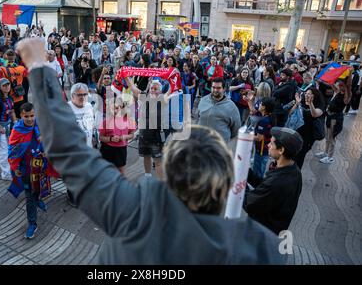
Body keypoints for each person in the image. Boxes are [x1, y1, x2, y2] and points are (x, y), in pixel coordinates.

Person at [15, 37, 284, 264]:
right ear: (225, 185)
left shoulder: (135, 211)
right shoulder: (262, 249)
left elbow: (68, 151)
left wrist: (40, 68)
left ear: (167, 173)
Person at [8, 103, 56, 239]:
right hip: (26, 169)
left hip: (41, 167)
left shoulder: (41, 125)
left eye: (32, 116)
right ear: (21, 116)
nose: (30, 119)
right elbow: (12, 149)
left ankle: (38, 199)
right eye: (26, 116)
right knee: (29, 196)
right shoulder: (17, 130)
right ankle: (32, 224)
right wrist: (15, 167)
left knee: (39, 189)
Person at [244, 127, 303, 235]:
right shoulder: (294, 171)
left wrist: (236, 183)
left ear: (281, 150)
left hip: (260, 235)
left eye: (271, 143)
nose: (268, 145)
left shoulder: (277, 182)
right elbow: (264, 187)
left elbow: (250, 203)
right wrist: (246, 172)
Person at [316, 79, 351, 164]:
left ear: (346, 86)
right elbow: (331, 83)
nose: (339, 86)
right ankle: (325, 153)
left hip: (336, 119)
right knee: (328, 137)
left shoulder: (347, 96)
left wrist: (349, 74)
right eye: (339, 85)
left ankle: (330, 157)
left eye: (342, 85)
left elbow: (349, 86)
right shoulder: (338, 91)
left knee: (332, 138)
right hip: (329, 116)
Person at [99, 97, 136, 174]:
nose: (119, 110)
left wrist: (125, 137)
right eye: (115, 108)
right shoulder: (106, 121)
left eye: (121, 107)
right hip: (107, 149)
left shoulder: (129, 120)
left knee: (121, 170)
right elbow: (101, 137)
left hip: (121, 149)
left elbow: (132, 135)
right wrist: (110, 139)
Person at [198, 77, 241, 143]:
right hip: (201, 143)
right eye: (213, 87)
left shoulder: (231, 107)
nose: (215, 90)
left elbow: (235, 129)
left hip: (219, 147)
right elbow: (199, 117)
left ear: (224, 89)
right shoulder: (203, 100)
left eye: (218, 88)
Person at [293, 87, 325, 169]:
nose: (306, 95)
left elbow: (314, 114)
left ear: (315, 96)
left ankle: (296, 174)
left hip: (309, 135)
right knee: (294, 153)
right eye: (306, 93)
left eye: (309, 94)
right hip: (298, 132)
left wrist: (311, 104)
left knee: (300, 155)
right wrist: (297, 103)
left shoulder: (319, 105)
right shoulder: (303, 101)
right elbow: (294, 113)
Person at [0, 49, 28, 118]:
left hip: (9, 98)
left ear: (6, 57)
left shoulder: (2, 69)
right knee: (20, 117)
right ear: (15, 57)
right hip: (20, 96)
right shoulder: (21, 68)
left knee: (10, 118)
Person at [251, 97, 276, 178]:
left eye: (261, 103)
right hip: (264, 150)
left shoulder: (264, 121)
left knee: (257, 174)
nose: (259, 104)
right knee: (259, 171)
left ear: (264, 107)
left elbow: (259, 138)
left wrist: (247, 136)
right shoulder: (269, 117)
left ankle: (256, 188)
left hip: (261, 150)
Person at [68, 83, 96, 148]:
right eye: (79, 95)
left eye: (85, 94)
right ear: (72, 96)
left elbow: (91, 123)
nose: (83, 97)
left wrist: (93, 136)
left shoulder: (89, 106)